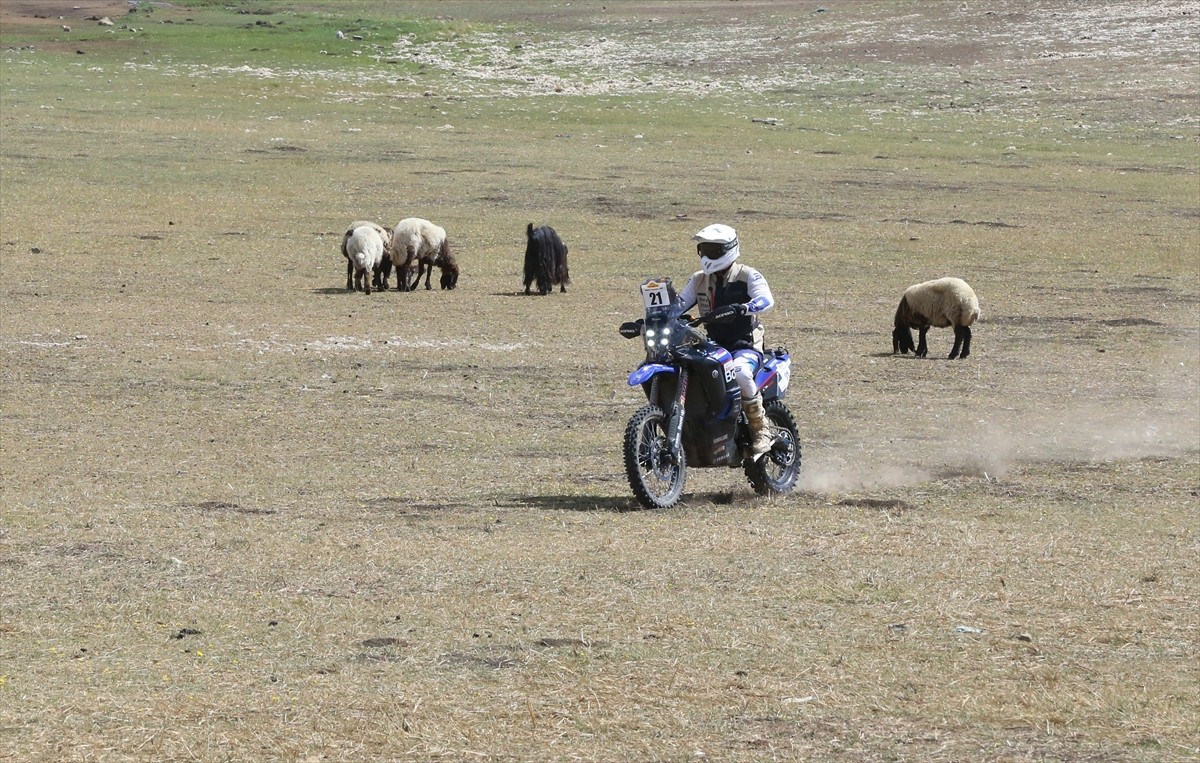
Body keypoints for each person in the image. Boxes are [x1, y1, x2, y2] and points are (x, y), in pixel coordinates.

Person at [676, 223, 776, 458]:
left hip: (745, 346)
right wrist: (658, 315)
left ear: (728, 250)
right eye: (704, 249)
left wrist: (745, 307)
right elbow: (679, 304)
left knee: (740, 373)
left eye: (713, 250)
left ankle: (761, 429)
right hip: (713, 347)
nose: (707, 255)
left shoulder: (748, 275)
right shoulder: (699, 279)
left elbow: (766, 300)